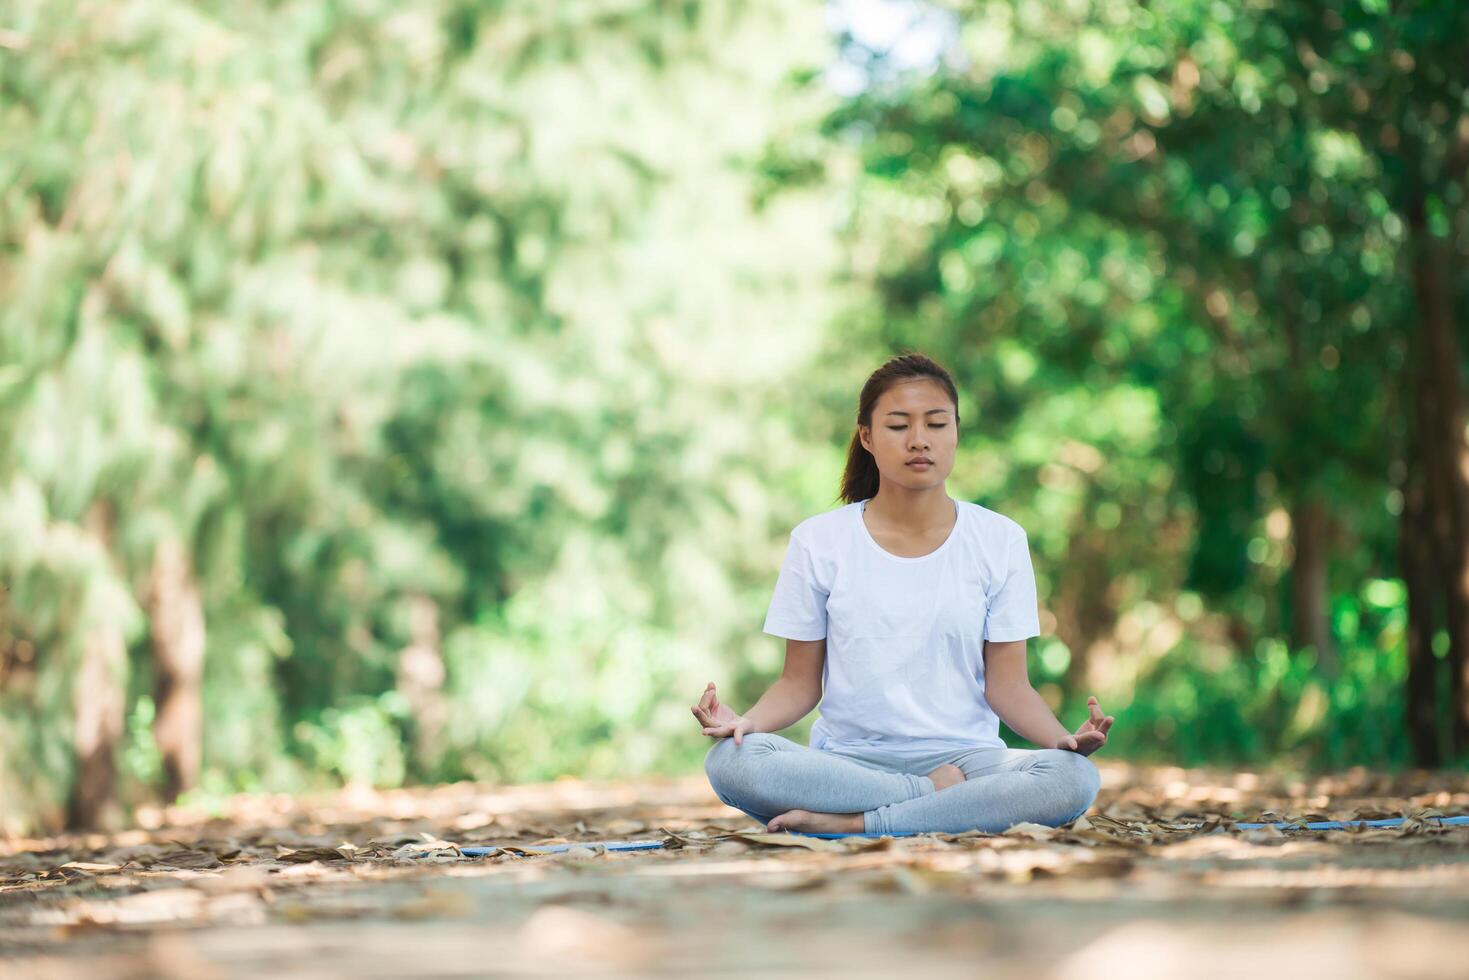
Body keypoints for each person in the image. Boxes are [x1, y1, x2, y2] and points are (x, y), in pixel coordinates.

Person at [695, 352, 1114, 836]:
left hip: (967, 760)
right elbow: (798, 684)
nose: (919, 440)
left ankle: (858, 822)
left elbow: (1008, 687)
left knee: (1073, 779)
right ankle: (925, 800)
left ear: (956, 432)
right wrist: (745, 723)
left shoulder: (1000, 540)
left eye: (937, 424)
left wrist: (1065, 741)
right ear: (867, 438)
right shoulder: (818, 541)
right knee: (732, 762)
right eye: (899, 426)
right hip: (850, 764)